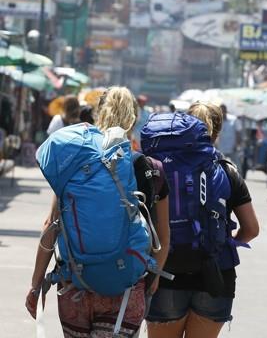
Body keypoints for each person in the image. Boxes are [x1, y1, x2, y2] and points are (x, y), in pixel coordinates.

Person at [26, 86, 170, 337]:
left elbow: (51, 225)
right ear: (134, 119)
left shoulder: (74, 161)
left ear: (98, 115)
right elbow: (163, 237)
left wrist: (37, 284)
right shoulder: (148, 167)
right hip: (125, 287)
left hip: (75, 283)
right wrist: (152, 279)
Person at [146, 102, 259, 338]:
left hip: (166, 274)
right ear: (216, 133)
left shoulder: (159, 169)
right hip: (215, 276)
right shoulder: (227, 171)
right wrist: (228, 239)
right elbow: (251, 229)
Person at [216, 104, 242, 169]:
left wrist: (237, 145)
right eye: (220, 111)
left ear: (226, 111)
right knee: (219, 167)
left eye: (223, 111)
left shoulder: (234, 119)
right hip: (221, 148)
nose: (222, 113)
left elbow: (238, 133)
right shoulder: (217, 121)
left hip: (232, 148)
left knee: (237, 167)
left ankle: (239, 178)